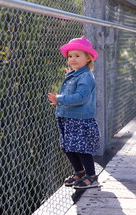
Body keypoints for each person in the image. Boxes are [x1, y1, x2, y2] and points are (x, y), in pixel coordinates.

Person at [48, 36, 101, 189]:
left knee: (81, 148)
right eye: (70, 56)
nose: (73, 59)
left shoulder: (86, 76)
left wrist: (60, 99)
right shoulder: (75, 74)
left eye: (77, 56)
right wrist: (69, 75)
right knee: (67, 147)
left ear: (88, 58)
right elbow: (74, 88)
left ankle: (91, 176)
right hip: (67, 117)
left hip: (80, 119)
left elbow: (81, 97)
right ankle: (80, 172)